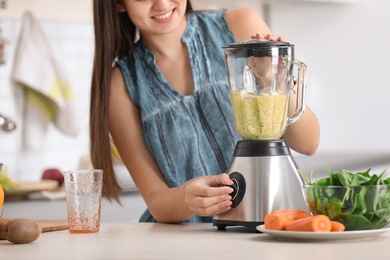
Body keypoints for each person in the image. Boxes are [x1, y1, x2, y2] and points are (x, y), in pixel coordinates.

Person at [89, 0, 320, 223]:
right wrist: (188, 197)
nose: (161, 4)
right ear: (119, 3)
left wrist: (275, 82)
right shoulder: (120, 85)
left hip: (274, 223)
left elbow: (308, 143)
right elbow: (156, 201)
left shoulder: (240, 24)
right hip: (190, 240)